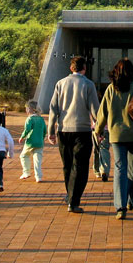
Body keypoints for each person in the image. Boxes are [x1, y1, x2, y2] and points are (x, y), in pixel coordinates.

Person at [95, 57, 133, 220]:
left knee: (119, 168)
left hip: (116, 134)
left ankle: (120, 206)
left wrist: (98, 130)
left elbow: (103, 112)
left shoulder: (111, 89)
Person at [48, 55, 100, 213]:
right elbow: (95, 110)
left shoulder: (60, 84)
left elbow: (53, 109)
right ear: (84, 68)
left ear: (71, 68)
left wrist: (51, 131)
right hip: (82, 130)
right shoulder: (88, 84)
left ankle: (69, 195)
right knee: (80, 166)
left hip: (64, 130)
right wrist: (99, 129)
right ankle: (73, 200)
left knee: (68, 165)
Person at [19, 100, 47, 182]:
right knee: (37, 160)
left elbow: (27, 129)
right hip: (39, 142)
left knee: (24, 156)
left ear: (31, 109)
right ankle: (38, 177)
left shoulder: (29, 119)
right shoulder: (41, 119)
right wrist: (42, 138)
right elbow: (45, 130)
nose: (26, 110)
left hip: (30, 142)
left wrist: (22, 137)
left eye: (27, 108)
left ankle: (26, 172)